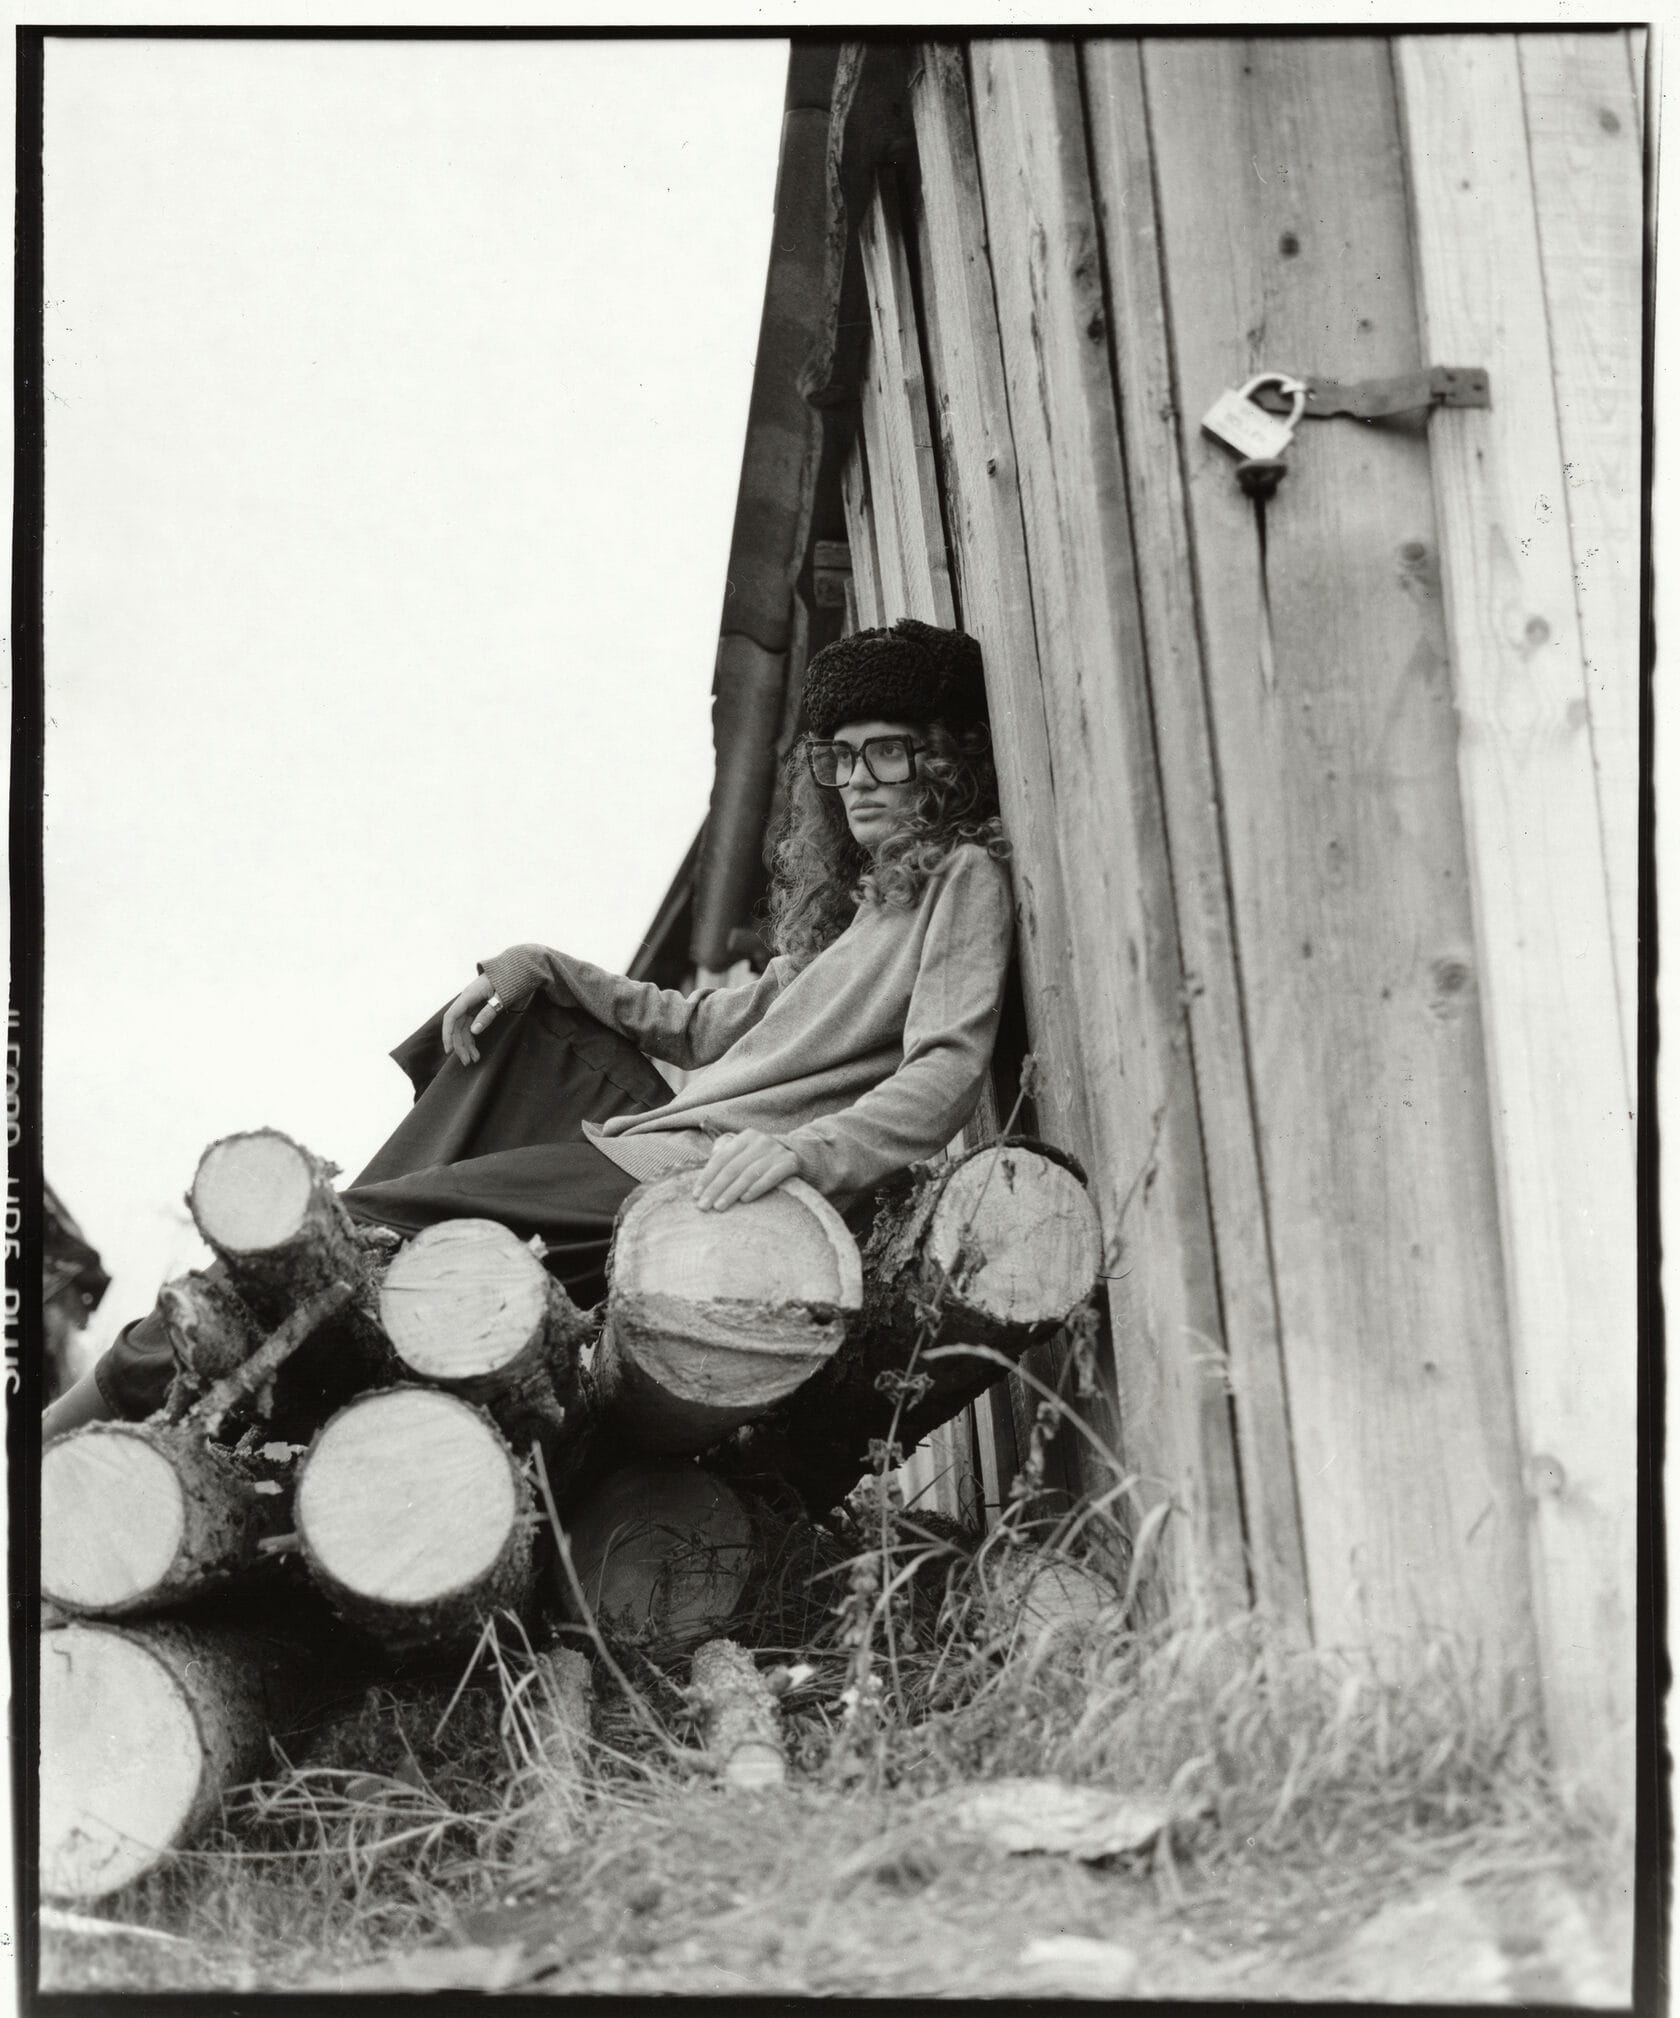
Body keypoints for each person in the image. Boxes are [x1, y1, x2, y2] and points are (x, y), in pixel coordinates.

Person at [43, 619, 1016, 1438]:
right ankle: (120, 1417)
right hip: (645, 1155)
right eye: (840, 756)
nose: (858, 780)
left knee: (368, 1233)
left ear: (945, 758)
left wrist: (801, 1155)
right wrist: (542, 963)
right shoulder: (850, 915)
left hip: (696, 1184)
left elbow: (946, 1069)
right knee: (376, 1232)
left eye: (886, 749)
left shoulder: (961, 879)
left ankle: (72, 1427)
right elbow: (702, 1025)